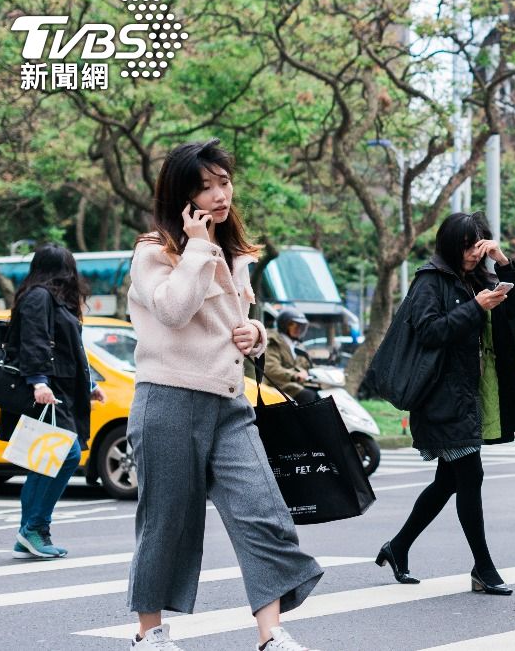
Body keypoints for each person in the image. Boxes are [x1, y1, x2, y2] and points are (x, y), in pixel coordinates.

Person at [124, 139, 323, 651]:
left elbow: (235, 325)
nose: (219, 195)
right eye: (205, 187)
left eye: (224, 182)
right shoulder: (153, 252)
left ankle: (270, 635)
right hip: (169, 400)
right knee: (166, 522)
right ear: (182, 196)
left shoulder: (237, 255)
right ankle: (149, 634)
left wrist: (255, 334)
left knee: (263, 511)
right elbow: (173, 311)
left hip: (229, 403)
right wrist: (195, 248)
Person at [375, 211, 515, 596]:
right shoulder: (431, 281)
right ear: (449, 245)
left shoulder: (480, 277)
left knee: (449, 480)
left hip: (470, 395)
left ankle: (398, 547)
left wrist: (504, 262)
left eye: (478, 245)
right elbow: (429, 332)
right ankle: (483, 567)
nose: (474, 253)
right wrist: (476, 307)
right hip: (442, 397)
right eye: (467, 246)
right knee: (470, 476)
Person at [0, 244, 106, 559]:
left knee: (44, 460)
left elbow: (67, 349)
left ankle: (30, 534)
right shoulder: (39, 297)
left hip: (60, 390)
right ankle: (34, 528)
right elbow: (33, 341)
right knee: (65, 455)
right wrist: (38, 381)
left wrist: (88, 384)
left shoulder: (52, 299)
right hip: (48, 392)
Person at [264, 308, 317, 404]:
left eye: (301, 326)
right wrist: (294, 375)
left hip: (297, 385)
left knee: (320, 393)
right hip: (278, 386)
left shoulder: (297, 345)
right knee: (308, 395)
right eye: (294, 325)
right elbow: (271, 368)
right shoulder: (272, 342)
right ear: (284, 325)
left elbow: (307, 365)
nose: (298, 329)